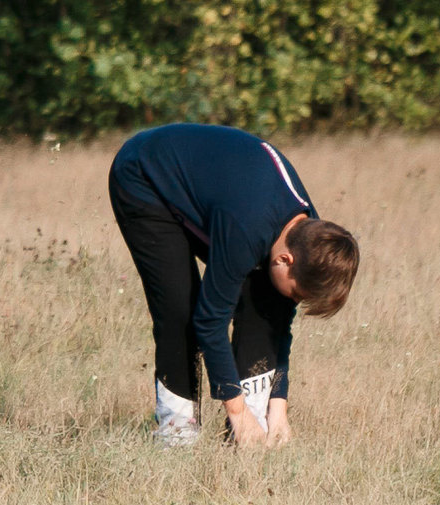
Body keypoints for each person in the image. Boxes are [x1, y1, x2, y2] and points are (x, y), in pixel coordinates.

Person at [107, 123, 361, 448]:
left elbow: (280, 324)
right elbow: (209, 322)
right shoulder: (247, 230)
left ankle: (248, 440)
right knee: (180, 309)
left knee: (269, 304)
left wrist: (278, 408)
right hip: (143, 177)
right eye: (298, 293)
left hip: (222, 195)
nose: (295, 301)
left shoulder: (310, 237)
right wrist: (237, 413)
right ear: (285, 260)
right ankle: (177, 433)